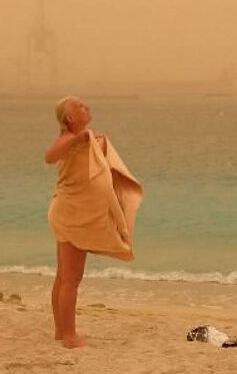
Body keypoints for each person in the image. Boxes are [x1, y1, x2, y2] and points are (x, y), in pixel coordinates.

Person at [44, 96, 143, 348]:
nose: (86, 107)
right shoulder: (68, 140)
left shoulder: (90, 140)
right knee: (71, 279)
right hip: (72, 215)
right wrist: (77, 139)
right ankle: (69, 335)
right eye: (79, 106)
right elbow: (49, 156)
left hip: (74, 213)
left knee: (63, 276)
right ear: (69, 118)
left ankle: (60, 331)